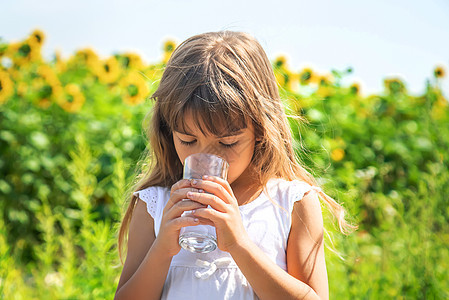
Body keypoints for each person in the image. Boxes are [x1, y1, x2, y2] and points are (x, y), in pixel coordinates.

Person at [114, 31, 354, 300]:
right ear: (168, 132)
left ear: (261, 130)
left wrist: (239, 244)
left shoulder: (291, 202)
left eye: (228, 143)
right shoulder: (156, 205)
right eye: (188, 140)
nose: (206, 158)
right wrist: (162, 249)